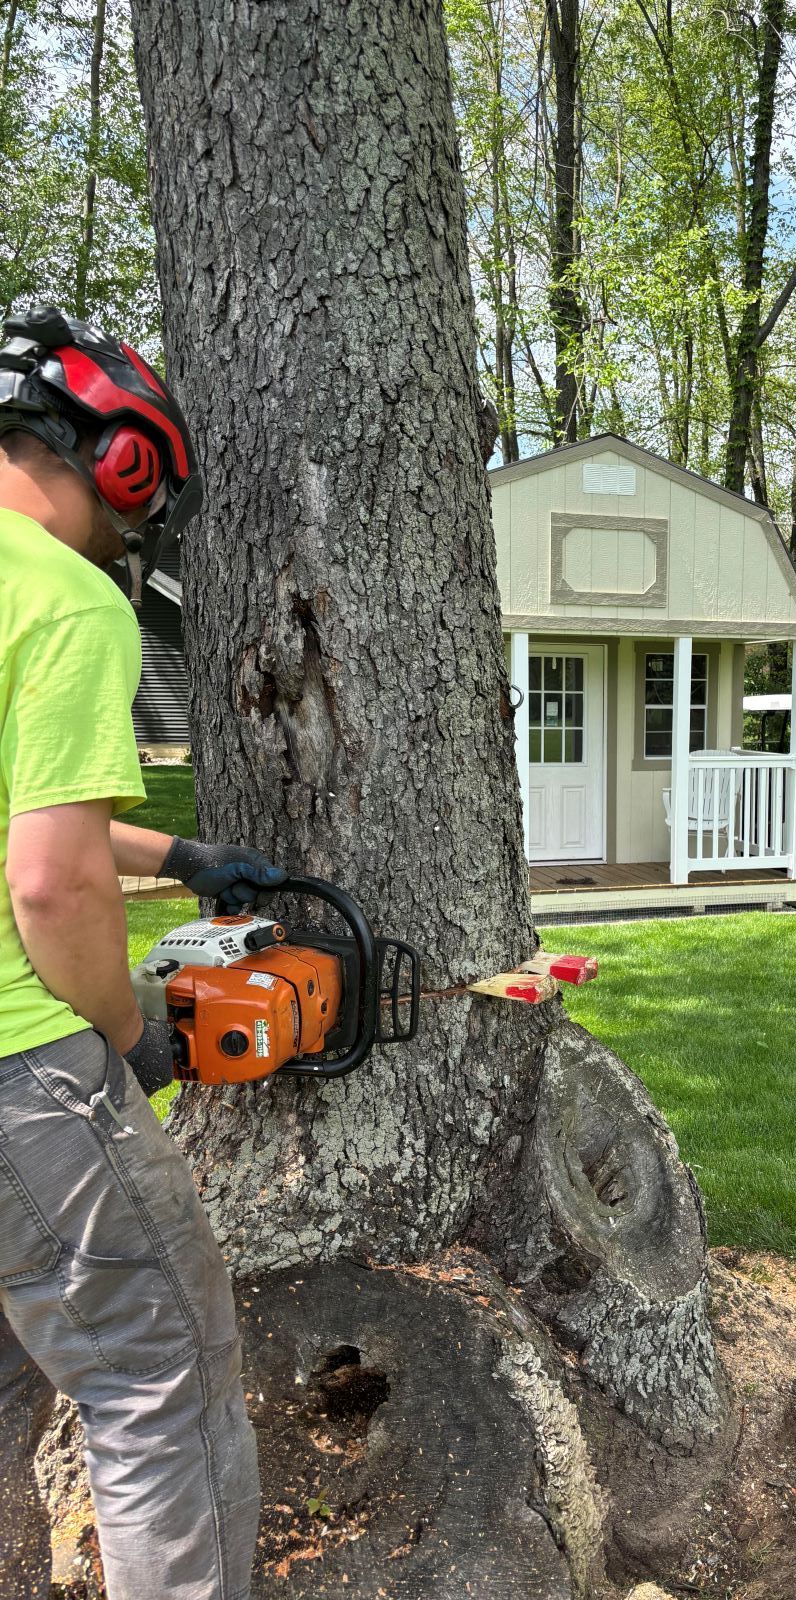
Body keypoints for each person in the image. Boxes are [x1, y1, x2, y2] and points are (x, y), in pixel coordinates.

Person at [0, 306, 280, 1599]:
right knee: (162, 1374)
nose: (134, 534)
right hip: (24, 1084)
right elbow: (49, 884)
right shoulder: (63, 599)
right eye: (140, 505)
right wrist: (130, 1035)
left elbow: (35, 819)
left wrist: (182, 862)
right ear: (118, 463)